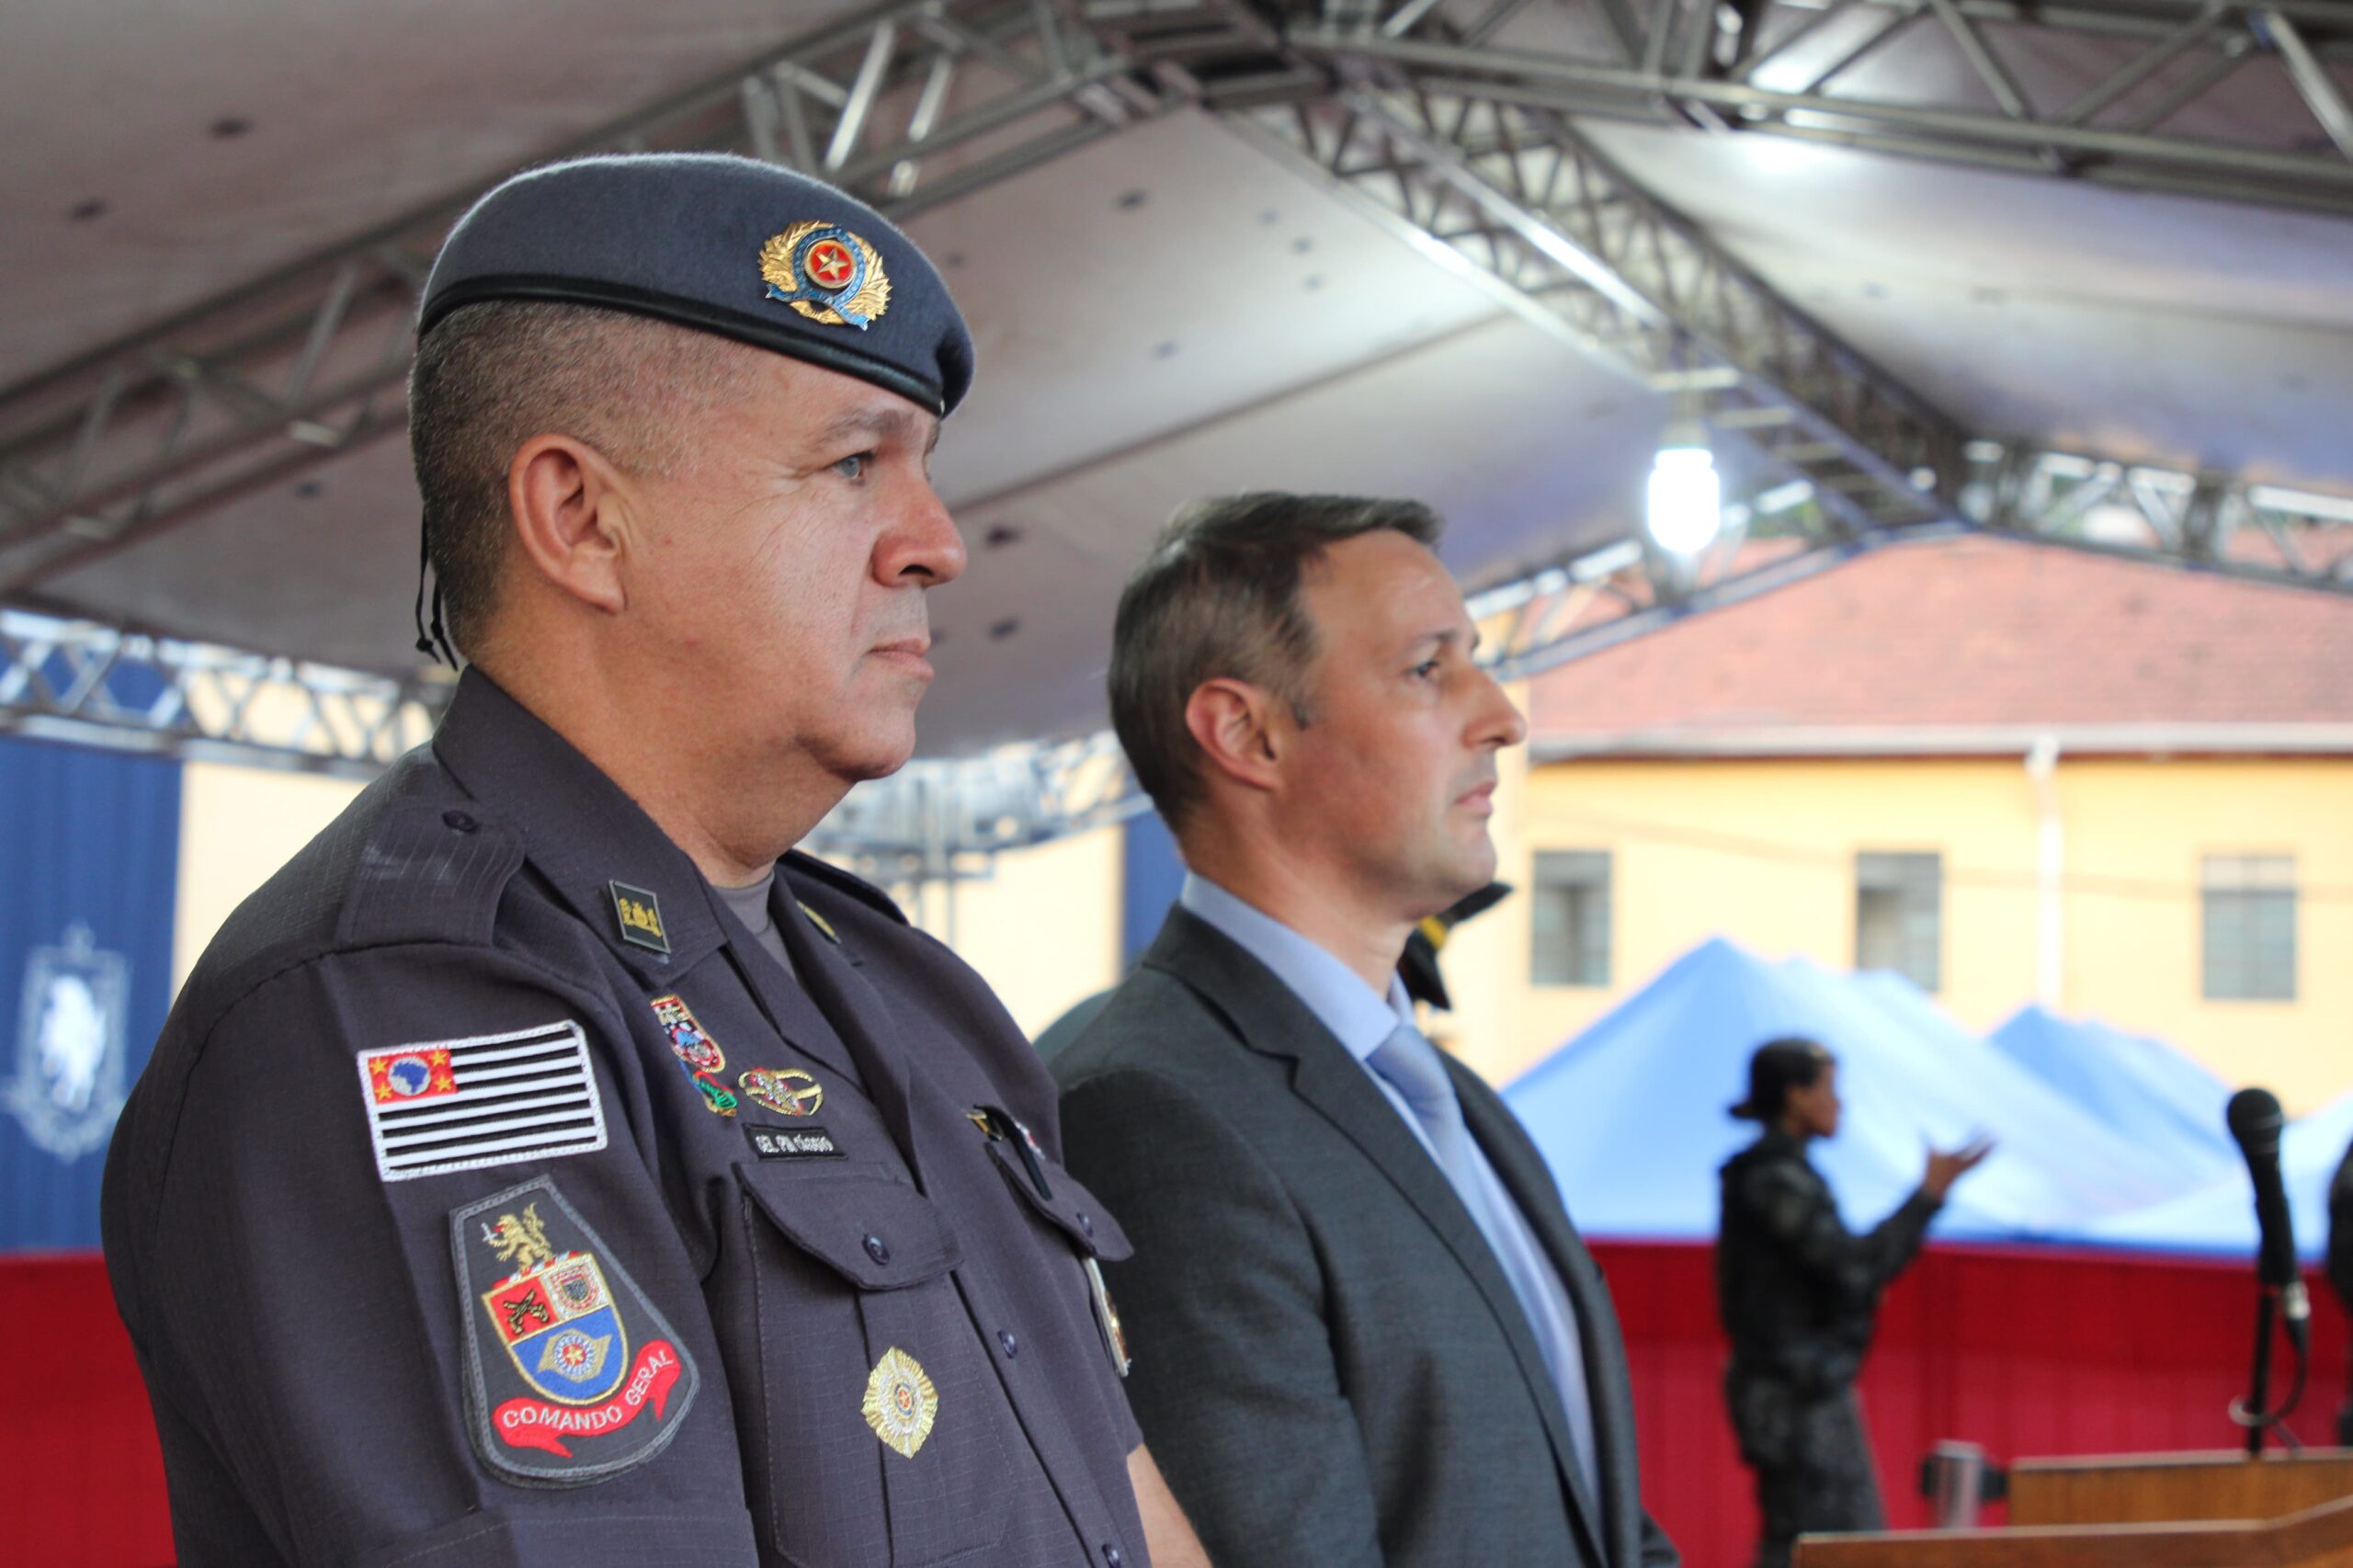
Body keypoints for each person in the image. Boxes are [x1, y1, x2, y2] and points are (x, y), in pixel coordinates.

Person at [100, 153, 1208, 1568]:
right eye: (853, 463)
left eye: (926, 471)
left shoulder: (917, 999)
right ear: (580, 519)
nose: (937, 544)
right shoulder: (407, 1010)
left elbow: (1133, 1513)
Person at [1052, 493, 1679, 1568]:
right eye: (1428, 668)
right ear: (1246, 732)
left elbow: (1601, 1523)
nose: (1503, 716)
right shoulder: (1150, 1108)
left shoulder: (1448, 1098)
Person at [1715, 1038, 1991, 1568]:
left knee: (1834, 1545)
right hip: (1794, 1397)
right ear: (1796, 1096)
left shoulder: (1779, 1175)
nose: (1837, 1103)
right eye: (1828, 1090)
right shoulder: (1772, 1179)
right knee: (1825, 1549)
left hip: (1801, 1390)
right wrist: (1928, 1196)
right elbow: (1854, 1266)